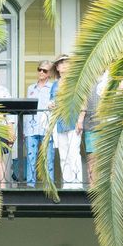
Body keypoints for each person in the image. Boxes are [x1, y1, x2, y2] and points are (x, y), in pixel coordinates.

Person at [52, 55, 83, 187]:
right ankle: (67, 183)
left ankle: (77, 183)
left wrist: (80, 120)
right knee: (63, 154)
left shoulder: (75, 82)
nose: (64, 65)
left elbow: (83, 101)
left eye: (66, 63)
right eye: (61, 63)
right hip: (59, 123)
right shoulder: (54, 84)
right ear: (57, 67)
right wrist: (50, 104)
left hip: (73, 121)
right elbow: (52, 100)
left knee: (73, 153)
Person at [25, 62, 55, 185]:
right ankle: (30, 184)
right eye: (39, 69)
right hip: (31, 127)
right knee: (31, 157)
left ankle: (49, 184)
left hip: (47, 127)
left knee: (48, 157)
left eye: (45, 70)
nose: (41, 72)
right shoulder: (31, 88)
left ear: (49, 73)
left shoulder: (53, 87)